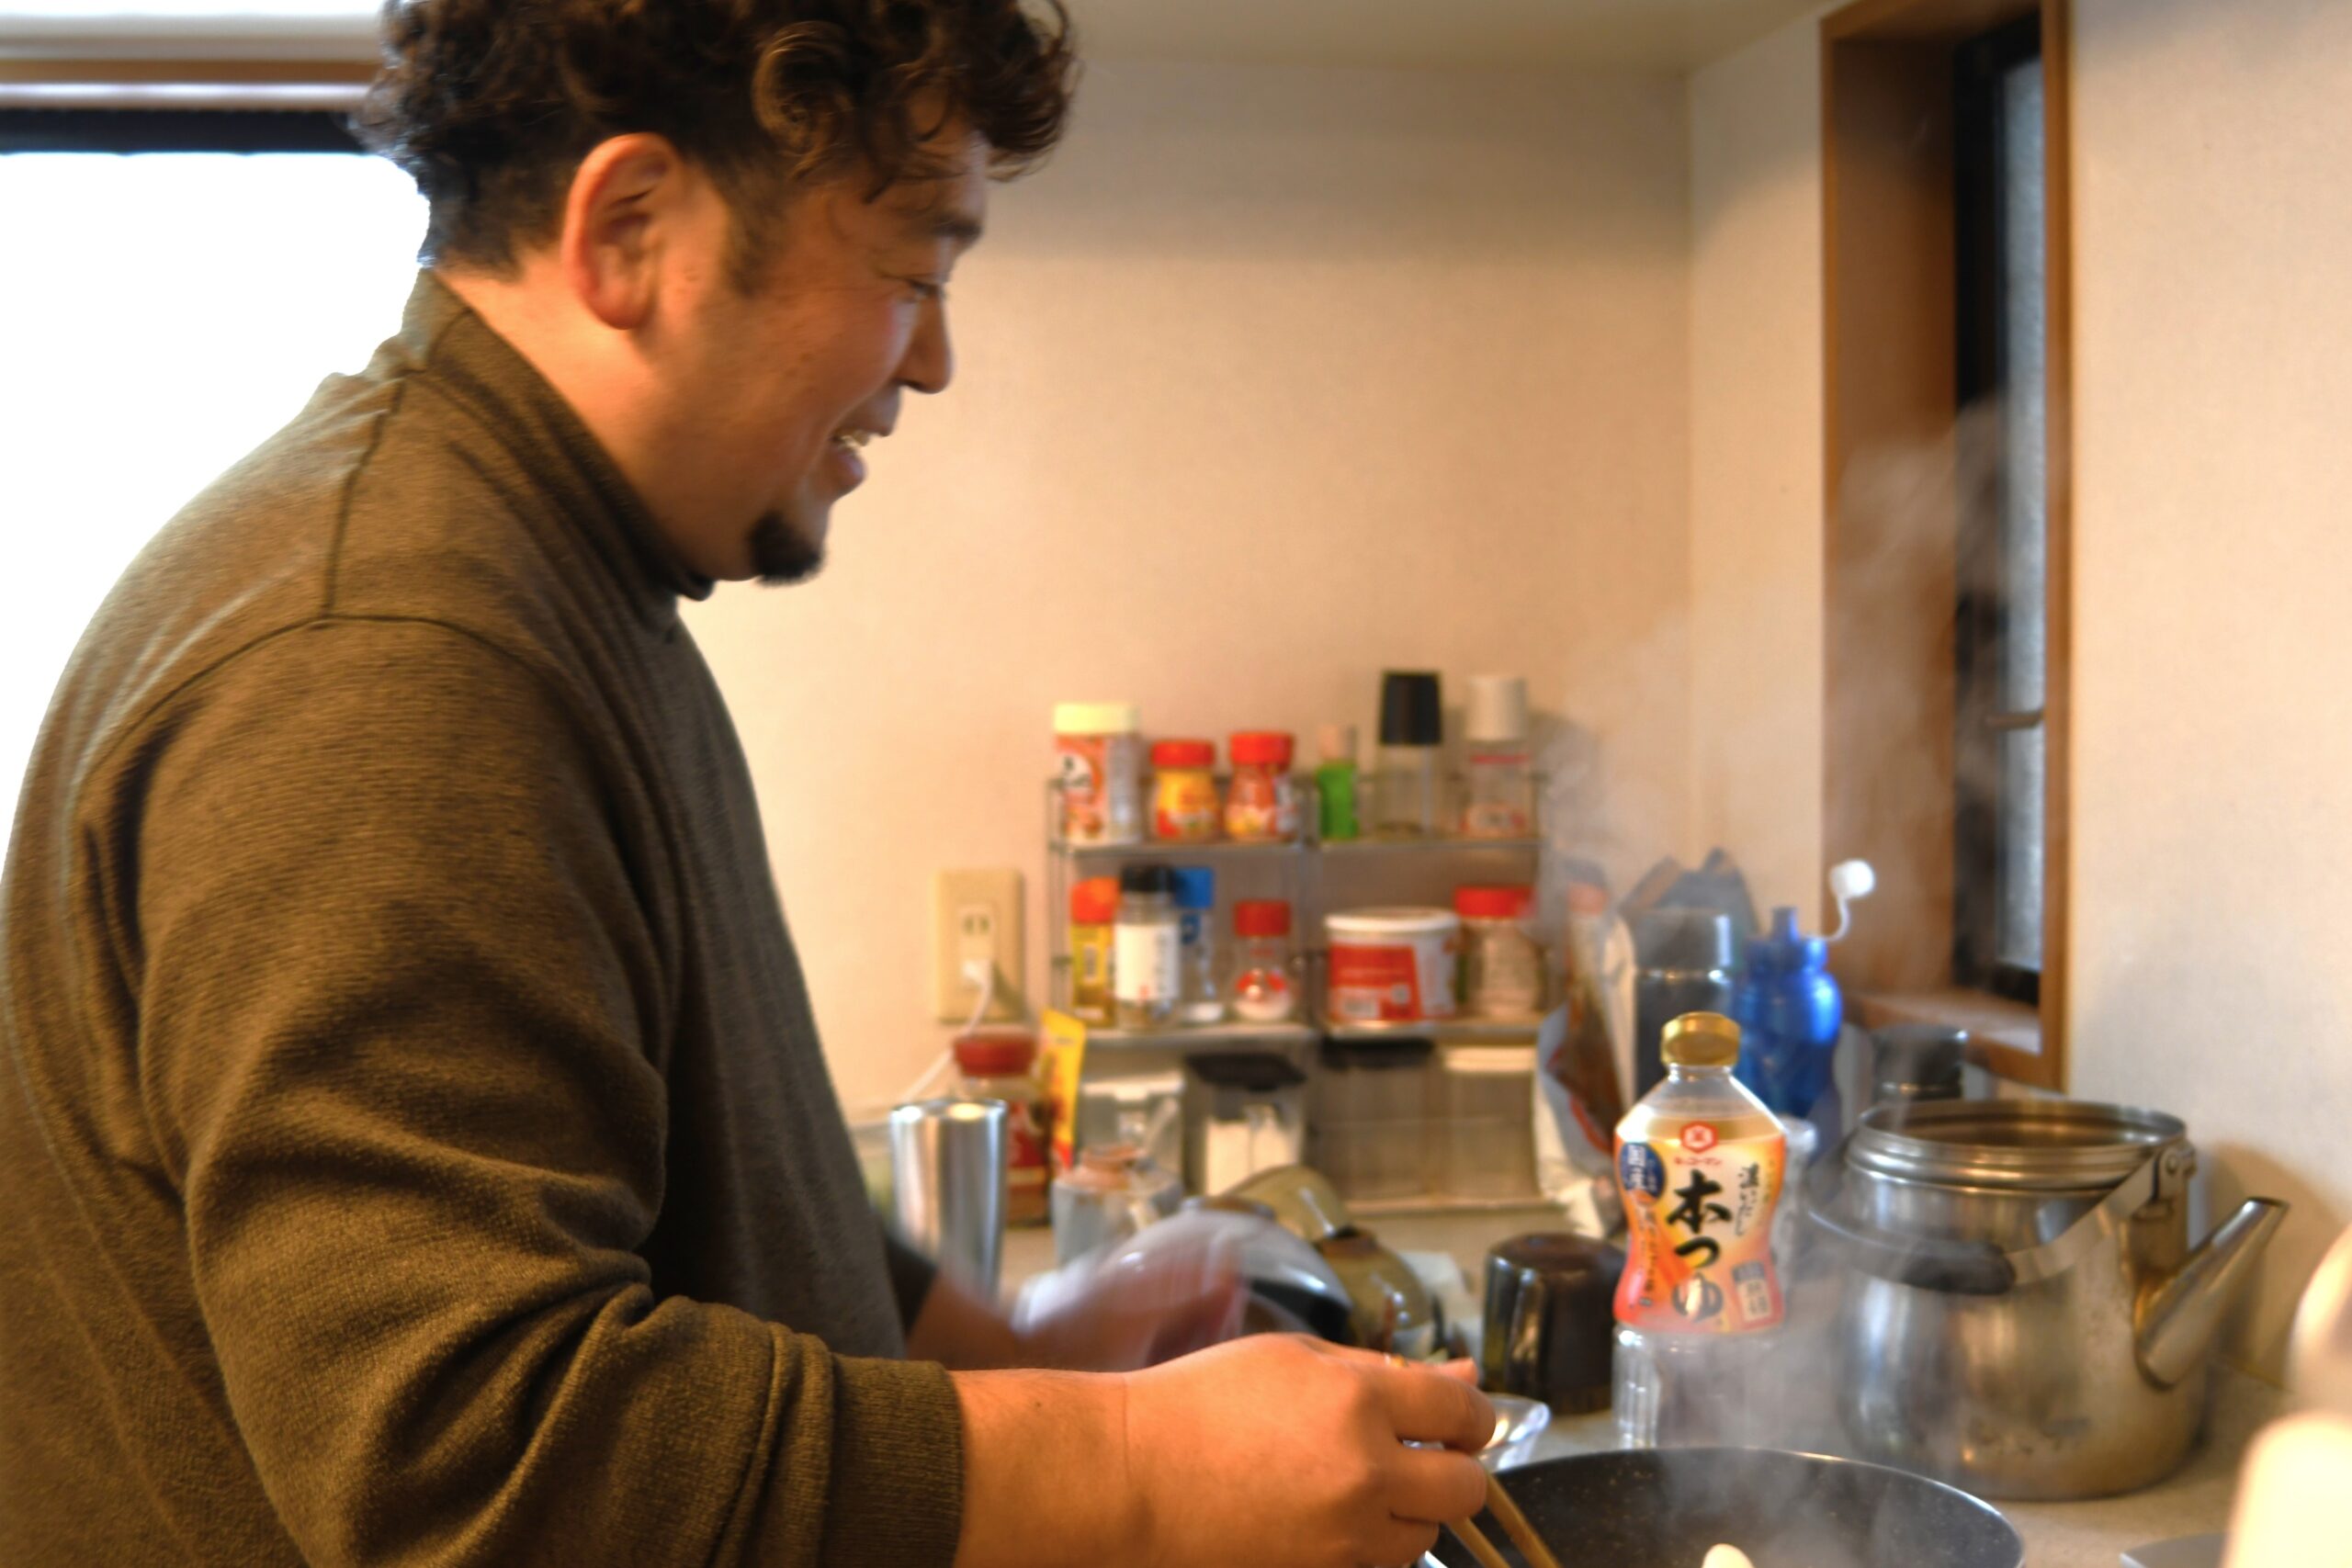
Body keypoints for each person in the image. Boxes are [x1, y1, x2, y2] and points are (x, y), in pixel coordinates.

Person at [0, 2, 1495, 1565]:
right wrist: (1126, 1463)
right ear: (630, 231)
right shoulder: (387, 659)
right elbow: (481, 1465)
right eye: (912, 271)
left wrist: (1020, 1348)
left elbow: (670, 1178)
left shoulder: (560, 584)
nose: (934, 360)